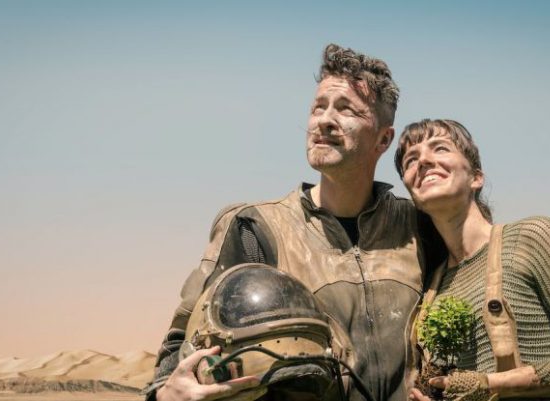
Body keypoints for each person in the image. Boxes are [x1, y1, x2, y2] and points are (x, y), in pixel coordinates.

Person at [144, 44, 437, 401]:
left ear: (383, 139)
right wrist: (164, 392)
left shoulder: (420, 227)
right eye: (319, 107)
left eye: (346, 110)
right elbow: (183, 338)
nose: (324, 120)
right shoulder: (254, 228)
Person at [395, 119, 550, 401]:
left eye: (440, 148)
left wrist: (490, 383)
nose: (423, 160)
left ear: (476, 177)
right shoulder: (430, 291)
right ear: (412, 193)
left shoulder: (532, 238)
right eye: (411, 160)